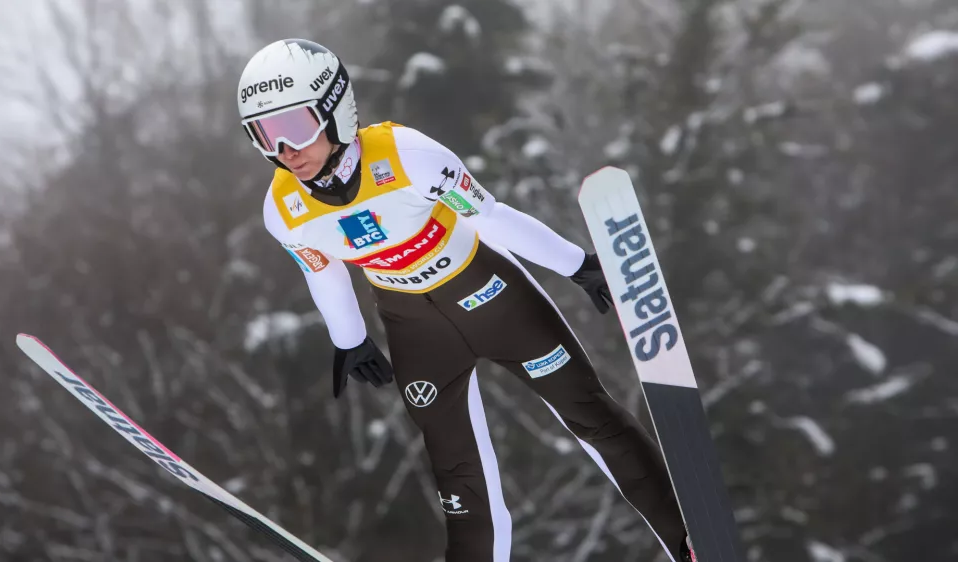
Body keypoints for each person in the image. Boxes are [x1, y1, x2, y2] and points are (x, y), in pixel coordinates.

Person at [237, 38, 698, 562]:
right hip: (415, 330)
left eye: (293, 128)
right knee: (459, 481)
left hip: (492, 296)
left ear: (336, 109)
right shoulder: (285, 209)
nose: (284, 150)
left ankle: (690, 542)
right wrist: (351, 339)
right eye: (264, 136)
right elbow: (322, 272)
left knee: (591, 415)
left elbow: (492, 217)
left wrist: (577, 265)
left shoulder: (409, 157)